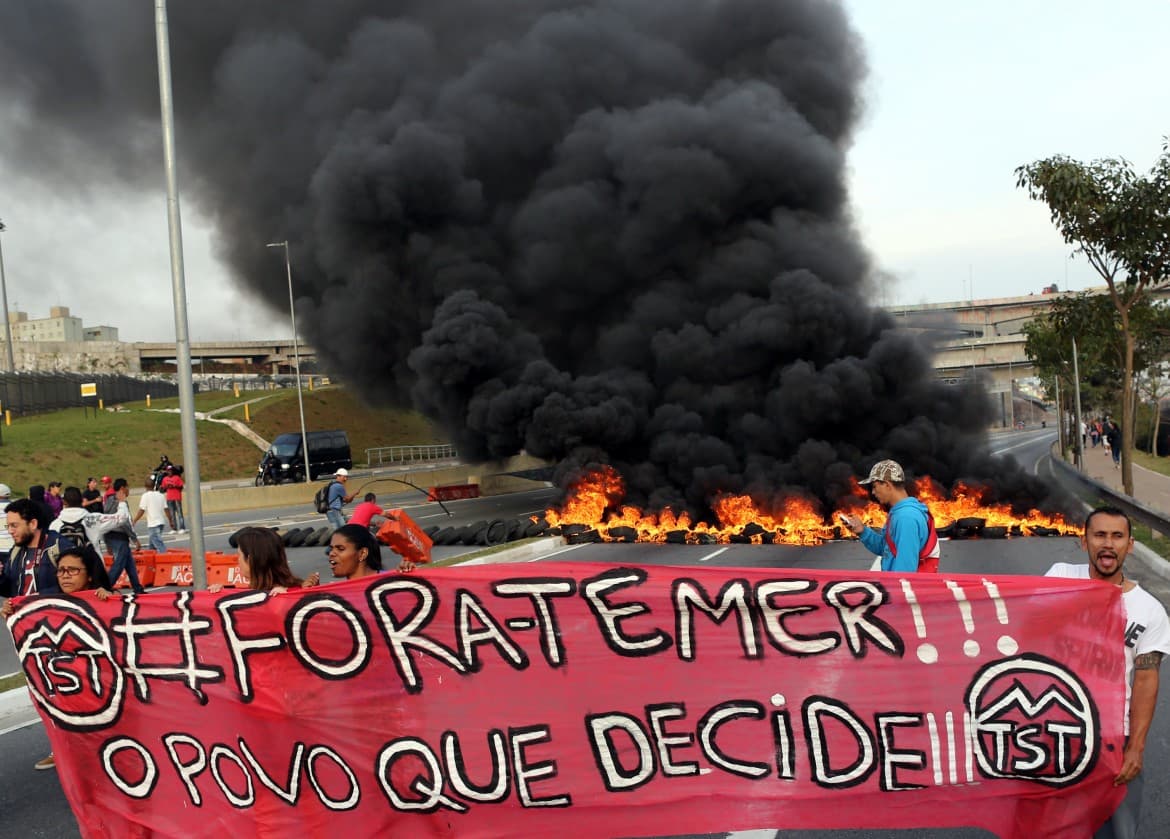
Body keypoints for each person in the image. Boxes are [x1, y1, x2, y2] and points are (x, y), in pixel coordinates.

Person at [1046, 507, 1170, 838]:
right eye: (1099, 535)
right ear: (1083, 541)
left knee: (1116, 831)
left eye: (1117, 537)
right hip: (1055, 732)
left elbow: (1146, 679)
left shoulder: (1149, 610)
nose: (1108, 544)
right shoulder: (1059, 577)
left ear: (1130, 545)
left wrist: (1137, 748)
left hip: (1113, 738)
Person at [2, 546, 114, 772]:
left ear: (89, 574)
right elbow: (25, 616)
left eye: (72, 570)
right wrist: (11, 609)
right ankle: (65, 751)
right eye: (61, 570)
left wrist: (112, 603)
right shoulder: (46, 600)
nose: (65, 575)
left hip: (103, 678)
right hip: (67, 677)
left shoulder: (105, 598)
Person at [839, 459, 940, 573]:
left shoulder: (906, 518)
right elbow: (886, 549)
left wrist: (893, 590)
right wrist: (863, 532)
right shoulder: (899, 513)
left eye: (875, 486)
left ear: (887, 485)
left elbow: (905, 571)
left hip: (903, 588)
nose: (873, 492)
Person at [212, 526, 318, 594]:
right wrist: (220, 595)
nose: (237, 559)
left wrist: (285, 601)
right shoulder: (246, 593)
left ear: (250, 560)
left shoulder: (293, 594)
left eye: (239, 555)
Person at [1, 498, 65, 601]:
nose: (10, 531)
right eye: (7, 526)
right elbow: (10, 590)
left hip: (52, 614)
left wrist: (40, 597)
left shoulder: (59, 547)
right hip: (23, 615)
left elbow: (75, 585)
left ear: (33, 524)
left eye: (14, 525)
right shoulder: (16, 551)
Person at [104, 478, 145, 595]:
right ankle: (106, 586)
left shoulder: (108, 501)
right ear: (122, 488)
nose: (128, 490)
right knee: (119, 563)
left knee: (129, 562)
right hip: (119, 536)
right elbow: (125, 523)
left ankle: (137, 588)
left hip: (110, 535)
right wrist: (134, 539)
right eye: (127, 487)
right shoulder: (121, 502)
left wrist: (107, 542)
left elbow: (104, 520)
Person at [132, 478, 170, 553]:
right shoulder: (160, 495)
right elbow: (166, 509)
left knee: (158, 544)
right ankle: (151, 561)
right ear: (154, 486)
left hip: (153, 524)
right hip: (161, 523)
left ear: (145, 486)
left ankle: (165, 556)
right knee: (152, 545)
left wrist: (135, 520)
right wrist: (171, 520)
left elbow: (142, 510)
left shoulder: (145, 496)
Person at [160, 465, 186, 533]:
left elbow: (181, 487)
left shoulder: (177, 478)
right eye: (168, 471)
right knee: (172, 513)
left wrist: (174, 486)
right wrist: (163, 488)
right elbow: (163, 488)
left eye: (171, 470)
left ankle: (182, 527)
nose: (169, 472)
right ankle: (174, 528)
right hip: (169, 498)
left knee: (179, 513)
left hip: (177, 497)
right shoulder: (165, 479)